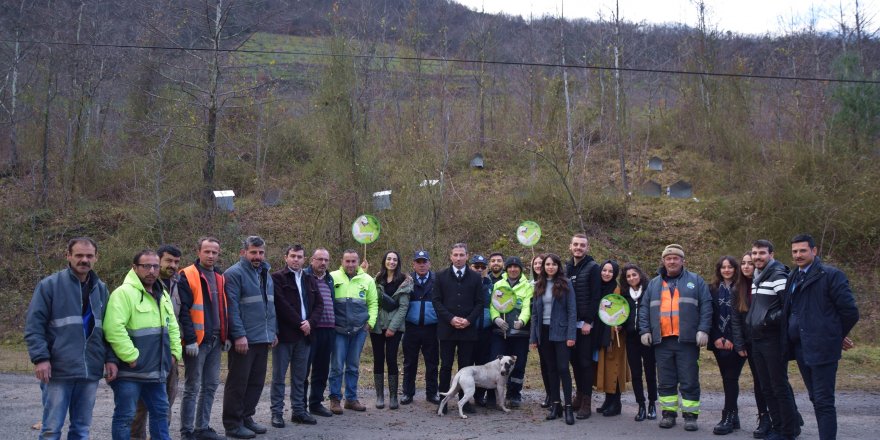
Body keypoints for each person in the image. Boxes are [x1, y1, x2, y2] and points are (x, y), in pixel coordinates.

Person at [25, 237, 116, 440]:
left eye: (89, 256)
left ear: (96, 258)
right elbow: (34, 326)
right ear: (68, 256)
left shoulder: (101, 289)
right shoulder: (49, 285)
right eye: (79, 255)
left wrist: (110, 359)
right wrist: (41, 358)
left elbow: (109, 330)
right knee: (51, 430)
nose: (84, 260)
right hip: (58, 370)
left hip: (90, 371)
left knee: (81, 430)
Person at [782, 234, 859, 440]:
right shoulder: (794, 277)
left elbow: (850, 311)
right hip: (800, 348)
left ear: (814, 251)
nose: (798, 255)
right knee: (815, 397)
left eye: (803, 251)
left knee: (824, 401)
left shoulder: (831, 275)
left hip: (822, 348)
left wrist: (834, 335)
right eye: (795, 252)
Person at [104, 250, 182, 440]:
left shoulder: (161, 293)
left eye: (155, 266)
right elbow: (113, 328)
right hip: (130, 373)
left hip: (156, 372)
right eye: (146, 266)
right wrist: (131, 356)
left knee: (161, 413)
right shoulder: (123, 294)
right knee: (126, 416)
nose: (152, 271)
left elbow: (172, 326)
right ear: (134, 268)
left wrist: (174, 353)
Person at [639, 244, 711, 431]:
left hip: (686, 341)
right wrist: (645, 330)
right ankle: (668, 414)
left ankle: (690, 416)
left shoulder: (695, 280)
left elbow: (706, 306)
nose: (672, 261)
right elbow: (645, 309)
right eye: (668, 258)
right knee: (665, 380)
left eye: (675, 258)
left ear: (682, 261)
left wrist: (703, 329)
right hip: (662, 341)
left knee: (689, 379)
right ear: (663, 261)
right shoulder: (654, 284)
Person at [223, 236, 277, 439]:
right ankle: (232, 424)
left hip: (263, 338)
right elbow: (232, 308)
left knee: (256, 382)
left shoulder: (265, 273)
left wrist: (273, 332)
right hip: (244, 340)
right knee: (238, 383)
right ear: (243, 253)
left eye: (261, 252)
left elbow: (270, 306)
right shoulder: (234, 274)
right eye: (253, 252)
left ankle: (247, 417)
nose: (258, 256)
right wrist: (239, 335)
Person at [746, 239, 799, 440]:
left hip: (773, 340)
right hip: (758, 340)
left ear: (772, 255)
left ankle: (788, 431)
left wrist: (767, 321)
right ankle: (778, 428)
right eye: (754, 253)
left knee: (778, 386)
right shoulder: (757, 277)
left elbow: (790, 307)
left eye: (762, 253)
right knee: (766, 386)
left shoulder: (777, 275)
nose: (757, 257)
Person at [178, 237, 228, 440]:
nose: (211, 255)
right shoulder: (187, 275)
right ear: (198, 251)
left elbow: (224, 308)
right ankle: (187, 431)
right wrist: (189, 339)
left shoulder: (219, 276)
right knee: (192, 387)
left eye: (214, 252)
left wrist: (226, 335)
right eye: (207, 251)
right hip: (196, 342)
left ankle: (202, 427)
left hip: (215, 340)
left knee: (211, 385)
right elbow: (184, 311)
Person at [131, 245, 183, 440]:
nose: (172, 265)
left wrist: (175, 354)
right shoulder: (139, 287)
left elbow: (178, 321)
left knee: (165, 403)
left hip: (168, 356)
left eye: (176, 262)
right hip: (144, 357)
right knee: (140, 406)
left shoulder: (177, 284)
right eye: (168, 261)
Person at [270, 244, 322, 427]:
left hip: (305, 337)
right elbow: (281, 304)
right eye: (292, 256)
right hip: (284, 336)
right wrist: (301, 323)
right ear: (286, 257)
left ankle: (299, 411)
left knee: (300, 377)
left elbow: (319, 305)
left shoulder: (309, 278)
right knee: (279, 377)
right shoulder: (277, 277)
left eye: (300, 257)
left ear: (304, 259)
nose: (296, 259)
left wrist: (311, 323)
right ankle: (276, 413)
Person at [433, 243, 485, 415]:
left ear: (467, 256)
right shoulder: (440, 276)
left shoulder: (476, 278)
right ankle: (443, 401)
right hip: (447, 329)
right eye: (455, 254)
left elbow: (479, 303)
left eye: (462, 255)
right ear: (450, 256)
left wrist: (469, 320)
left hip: (468, 330)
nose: (458, 258)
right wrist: (451, 318)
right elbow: (437, 302)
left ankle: (465, 402)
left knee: (466, 367)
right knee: (446, 366)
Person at [328, 249, 378, 413]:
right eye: (347, 261)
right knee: (336, 366)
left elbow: (373, 303)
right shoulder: (333, 277)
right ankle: (335, 399)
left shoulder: (368, 279)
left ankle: (351, 399)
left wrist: (370, 323)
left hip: (359, 331)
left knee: (353, 366)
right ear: (342, 261)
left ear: (358, 262)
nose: (350, 264)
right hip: (338, 330)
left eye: (353, 261)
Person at [529, 253, 577, 425]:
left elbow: (572, 311)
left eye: (554, 264)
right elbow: (535, 314)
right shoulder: (539, 285)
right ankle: (556, 405)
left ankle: (568, 407)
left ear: (558, 267)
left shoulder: (566, 284)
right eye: (547, 264)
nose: (550, 267)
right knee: (551, 370)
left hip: (562, 333)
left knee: (563, 368)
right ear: (543, 267)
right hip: (544, 332)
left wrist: (571, 335)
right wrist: (533, 337)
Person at [708, 256, 747, 435]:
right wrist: (716, 337)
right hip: (717, 341)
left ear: (735, 269)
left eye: (730, 267)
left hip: (737, 341)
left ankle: (728, 416)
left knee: (731, 378)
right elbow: (709, 315)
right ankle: (734, 415)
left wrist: (731, 338)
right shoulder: (712, 289)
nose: (726, 270)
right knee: (726, 378)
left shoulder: (742, 288)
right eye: (723, 267)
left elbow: (742, 318)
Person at [489, 256, 533, 408]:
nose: (513, 269)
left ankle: (514, 394)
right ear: (506, 269)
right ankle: (494, 395)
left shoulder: (527, 285)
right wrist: (496, 319)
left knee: (518, 365)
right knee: (497, 364)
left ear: (520, 269)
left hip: (520, 334)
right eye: (510, 267)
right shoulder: (499, 284)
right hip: (500, 333)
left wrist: (522, 321)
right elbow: (493, 304)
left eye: (516, 267)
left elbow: (527, 306)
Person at [371, 250, 413, 410]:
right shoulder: (376, 279)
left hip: (394, 328)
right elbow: (372, 300)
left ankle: (394, 396)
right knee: (378, 359)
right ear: (384, 261)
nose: (391, 262)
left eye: (395, 259)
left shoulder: (404, 281)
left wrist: (392, 328)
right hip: (377, 326)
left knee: (391, 359)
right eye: (389, 258)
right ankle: (380, 396)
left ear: (398, 262)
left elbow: (403, 308)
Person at [566, 233, 602, 419]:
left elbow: (596, 296)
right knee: (574, 362)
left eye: (582, 245)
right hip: (570, 325)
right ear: (570, 247)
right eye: (576, 244)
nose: (579, 247)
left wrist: (589, 321)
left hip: (586, 325)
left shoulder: (593, 267)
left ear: (587, 248)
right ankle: (578, 396)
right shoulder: (566, 267)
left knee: (585, 363)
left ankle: (587, 401)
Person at [400, 250, 440, 405]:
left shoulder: (437, 280)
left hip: (431, 328)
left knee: (432, 362)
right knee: (409, 362)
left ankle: (432, 393)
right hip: (412, 327)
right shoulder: (406, 280)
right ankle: (407, 393)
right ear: (413, 264)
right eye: (419, 262)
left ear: (429, 263)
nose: (422, 265)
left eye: (424, 262)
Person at [302, 248, 336, 417]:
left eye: (326, 260)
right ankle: (300, 406)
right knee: (304, 369)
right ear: (311, 260)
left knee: (322, 370)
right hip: (310, 330)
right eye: (319, 259)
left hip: (329, 329)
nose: (323, 263)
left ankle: (316, 403)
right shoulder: (304, 277)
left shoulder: (330, 279)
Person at [621, 263, 657, 422]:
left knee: (650, 372)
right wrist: (619, 324)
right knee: (636, 373)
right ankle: (641, 405)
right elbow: (620, 314)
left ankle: (652, 404)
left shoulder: (649, 291)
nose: (631, 278)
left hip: (647, 338)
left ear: (640, 275)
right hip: (631, 339)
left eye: (634, 275)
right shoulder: (624, 295)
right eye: (628, 276)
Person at [594, 260, 629, 418]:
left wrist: (620, 324)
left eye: (610, 271)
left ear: (614, 274)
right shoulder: (599, 288)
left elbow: (624, 310)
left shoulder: (618, 290)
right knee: (606, 369)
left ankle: (616, 403)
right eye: (604, 270)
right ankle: (608, 401)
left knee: (615, 368)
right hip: (602, 334)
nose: (606, 273)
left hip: (615, 336)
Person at [469, 254, 495, 407]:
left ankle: (479, 396)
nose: (479, 269)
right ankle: (465, 394)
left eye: (482, 267)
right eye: (476, 266)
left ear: (486, 268)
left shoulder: (491, 284)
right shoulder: (465, 282)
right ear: (470, 267)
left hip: (486, 330)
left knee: (482, 364)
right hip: (468, 329)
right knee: (467, 363)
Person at [529, 254, 552, 409]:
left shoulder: (551, 283)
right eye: (535, 263)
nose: (537, 265)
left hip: (552, 327)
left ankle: (555, 396)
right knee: (544, 363)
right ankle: (549, 393)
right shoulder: (529, 284)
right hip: (536, 327)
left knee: (554, 365)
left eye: (540, 263)